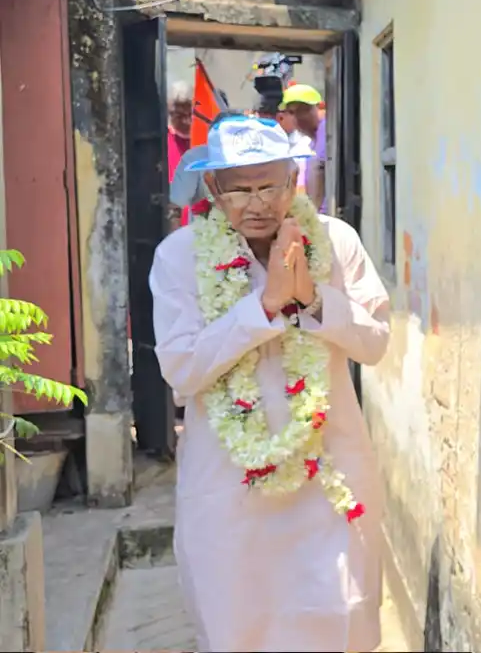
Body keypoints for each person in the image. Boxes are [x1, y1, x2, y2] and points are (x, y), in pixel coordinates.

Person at [149, 114, 390, 652]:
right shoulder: (180, 257)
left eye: (271, 186)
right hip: (230, 484)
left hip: (330, 475)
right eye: (240, 190)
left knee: (337, 620)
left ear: (294, 181)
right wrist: (265, 305)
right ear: (213, 188)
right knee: (240, 624)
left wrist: (313, 299)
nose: (257, 204)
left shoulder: (335, 241)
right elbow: (181, 368)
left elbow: (374, 343)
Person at [279, 83, 327, 211]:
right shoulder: (311, 143)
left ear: (318, 107)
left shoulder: (326, 133)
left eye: (304, 110)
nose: (298, 118)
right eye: (292, 112)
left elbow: (319, 171)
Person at [167, 81, 193, 229]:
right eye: (179, 115)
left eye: (190, 114)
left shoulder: (205, 139)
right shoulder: (163, 143)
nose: (186, 120)